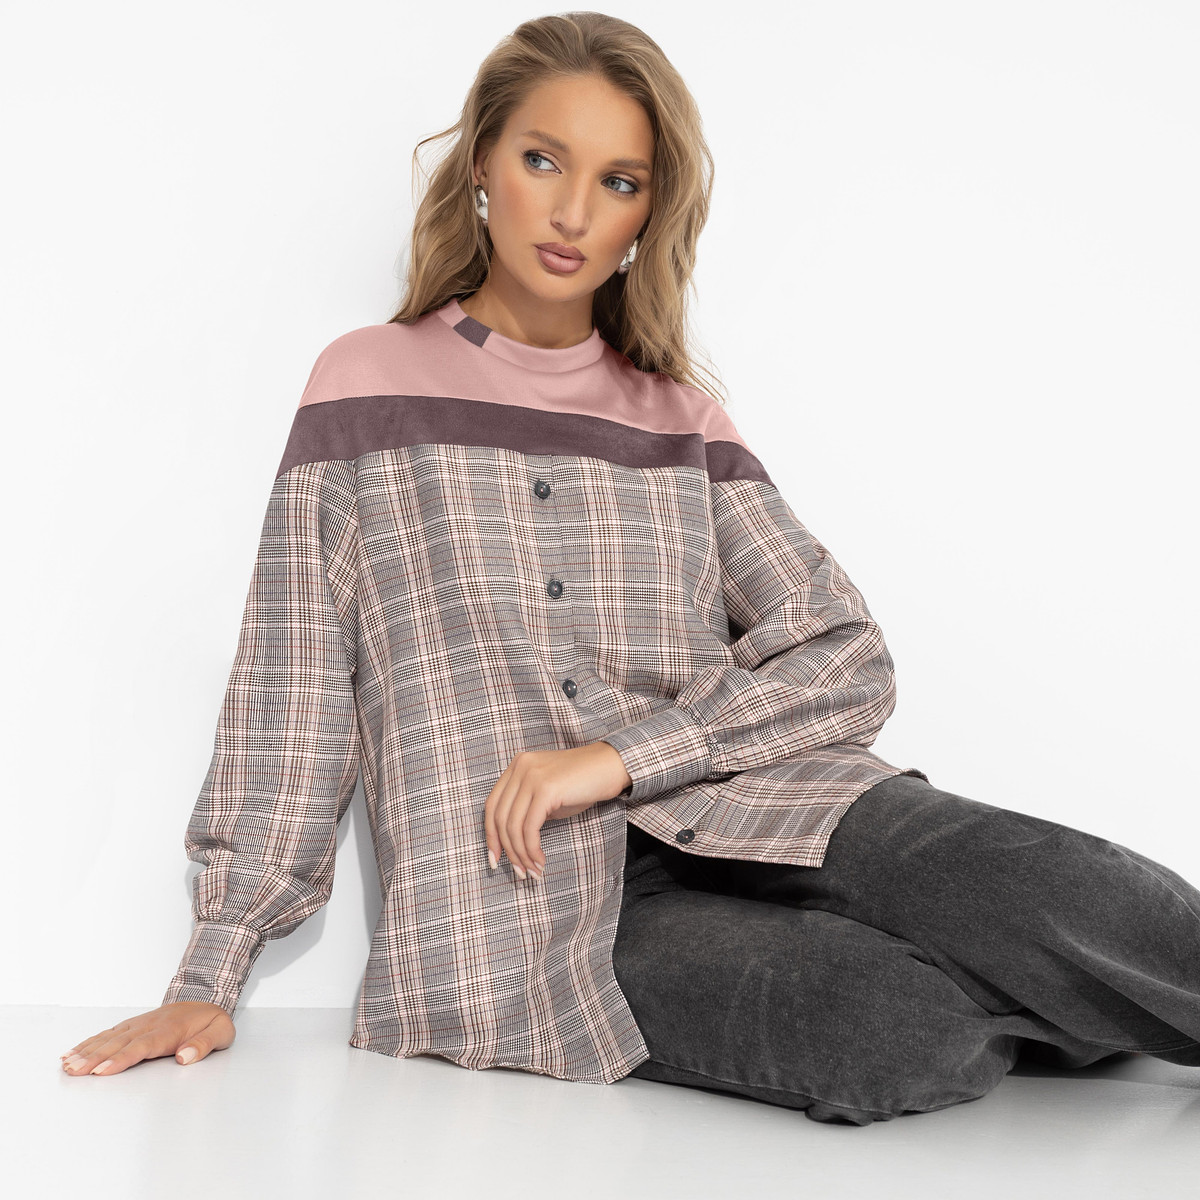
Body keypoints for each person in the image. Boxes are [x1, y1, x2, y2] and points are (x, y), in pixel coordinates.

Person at [60, 12, 1200, 1125]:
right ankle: (1071, 1006)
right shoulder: (366, 388)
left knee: (1055, 886)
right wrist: (209, 976)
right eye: (542, 160)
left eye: (618, 181)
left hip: (757, 806)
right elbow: (296, 688)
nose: (571, 212)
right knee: (894, 1026)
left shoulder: (679, 418)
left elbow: (844, 655)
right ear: (481, 165)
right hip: (538, 915)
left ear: (649, 214)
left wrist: (616, 759)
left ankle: (1074, 989)